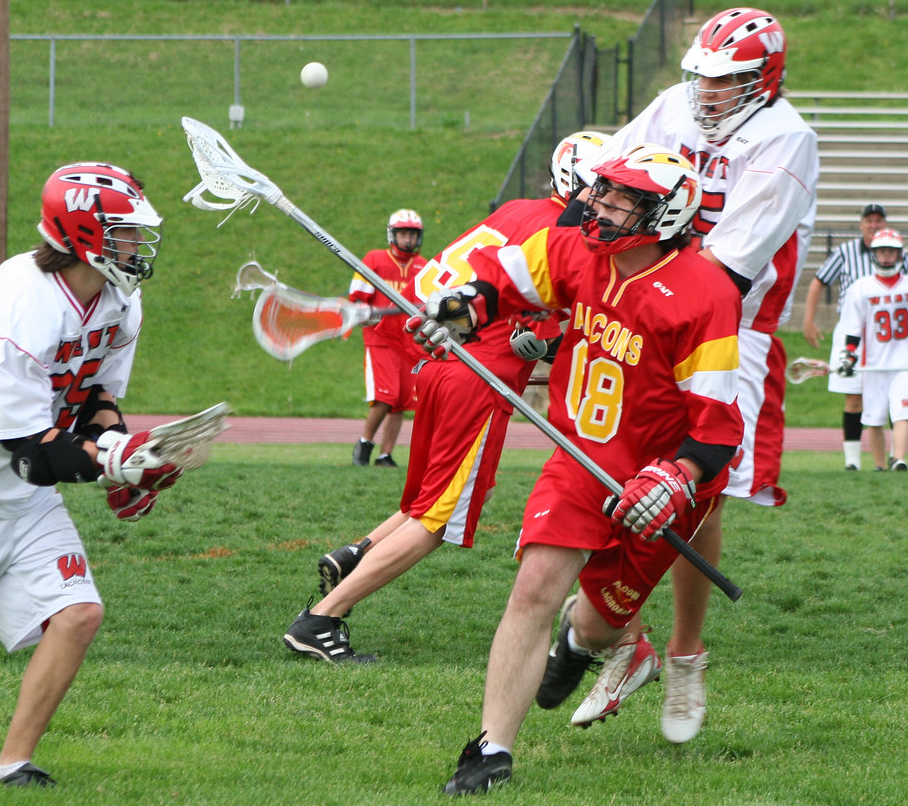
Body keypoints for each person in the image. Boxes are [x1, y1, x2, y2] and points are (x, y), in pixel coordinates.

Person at [409, 146, 744, 795]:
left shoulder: (706, 295)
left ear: (665, 213)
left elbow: (717, 429)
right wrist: (459, 314)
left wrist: (674, 477)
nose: (601, 204)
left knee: (595, 622)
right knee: (533, 584)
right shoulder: (576, 250)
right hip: (580, 459)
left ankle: (584, 641)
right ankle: (491, 750)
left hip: (652, 479)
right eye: (604, 191)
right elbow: (500, 286)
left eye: (622, 198)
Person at [574, 7, 819, 742]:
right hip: (640, 301)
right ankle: (624, 637)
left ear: (762, 80)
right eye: (704, 78)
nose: (709, 93)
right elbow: (599, 188)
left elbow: (724, 269)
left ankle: (683, 653)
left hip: (724, 324)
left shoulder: (787, 138)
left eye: (728, 81)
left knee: (697, 492)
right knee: (599, 465)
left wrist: (632, 300)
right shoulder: (670, 106)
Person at [282, 131, 611, 662]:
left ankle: (357, 553)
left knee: (420, 503)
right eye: (610, 192)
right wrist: (544, 345)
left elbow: (440, 287)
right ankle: (322, 618)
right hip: (477, 376)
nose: (614, 205)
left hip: (438, 367)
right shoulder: (563, 234)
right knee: (439, 519)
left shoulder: (515, 212)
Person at [0, 163, 182, 787]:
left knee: (77, 615)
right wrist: (112, 463)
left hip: (20, 495)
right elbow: (26, 447)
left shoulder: (118, 297)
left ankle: (12, 764)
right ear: (83, 232)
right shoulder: (21, 302)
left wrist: (129, 456)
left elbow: (96, 396)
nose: (137, 245)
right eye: (125, 232)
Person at [802, 203, 908, 471]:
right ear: (861, 223)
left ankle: (891, 456)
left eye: (878, 220)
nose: (873, 225)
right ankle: (852, 461)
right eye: (869, 220)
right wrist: (808, 321)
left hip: (885, 334)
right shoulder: (845, 252)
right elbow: (818, 282)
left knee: (887, 394)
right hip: (851, 329)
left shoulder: (898, 254)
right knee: (853, 396)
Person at [834, 228, 908, 472]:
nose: (886, 257)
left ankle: (899, 458)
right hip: (873, 362)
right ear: (873, 253)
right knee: (874, 416)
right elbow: (854, 328)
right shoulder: (861, 288)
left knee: (903, 410)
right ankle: (880, 464)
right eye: (882, 251)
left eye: (891, 251)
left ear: (900, 254)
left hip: (904, 360)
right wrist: (849, 354)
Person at [348, 209, 427, 468]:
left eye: (412, 234)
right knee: (386, 396)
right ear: (392, 234)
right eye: (403, 233)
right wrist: (364, 312)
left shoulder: (422, 266)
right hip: (380, 339)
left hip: (408, 341)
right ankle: (364, 444)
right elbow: (358, 299)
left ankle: (385, 455)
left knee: (403, 400)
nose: (407, 240)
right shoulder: (375, 259)